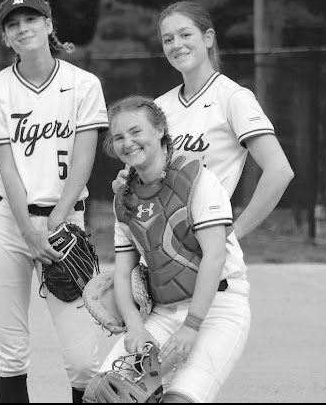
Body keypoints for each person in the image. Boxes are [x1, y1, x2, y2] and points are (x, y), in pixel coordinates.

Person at [0, 0, 108, 404]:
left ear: (49, 26)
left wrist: (55, 221)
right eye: (13, 24)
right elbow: (8, 167)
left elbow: (84, 157)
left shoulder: (83, 84)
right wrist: (27, 231)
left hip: (65, 223)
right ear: (6, 37)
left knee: (84, 361)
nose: (22, 28)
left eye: (31, 19)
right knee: (11, 353)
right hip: (7, 223)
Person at [103, 94, 250, 403]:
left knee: (178, 400)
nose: (127, 142)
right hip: (162, 311)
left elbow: (214, 255)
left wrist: (192, 326)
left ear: (159, 131)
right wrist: (134, 327)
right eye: (118, 137)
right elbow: (123, 271)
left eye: (135, 131)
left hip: (216, 311)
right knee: (109, 394)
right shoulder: (124, 201)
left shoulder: (198, 181)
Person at [113, 1, 293, 240]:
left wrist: (234, 233)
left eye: (185, 34)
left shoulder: (232, 98)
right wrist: (125, 187)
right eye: (168, 39)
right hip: (158, 243)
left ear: (208, 38)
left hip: (205, 242)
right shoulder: (159, 106)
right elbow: (138, 178)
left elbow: (279, 171)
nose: (176, 45)